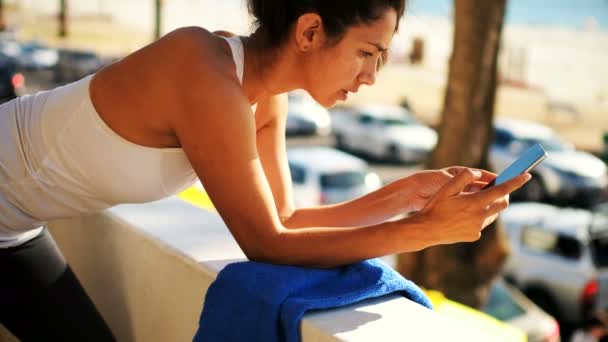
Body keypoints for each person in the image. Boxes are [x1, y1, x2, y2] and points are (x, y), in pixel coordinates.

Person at [0, 0, 531, 340]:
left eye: (382, 58)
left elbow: (286, 219)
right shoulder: (199, 68)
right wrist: (426, 231)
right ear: (310, 30)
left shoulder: (262, 99)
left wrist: (405, 195)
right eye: (366, 52)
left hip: (13, 227)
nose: (370, 76)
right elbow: (266, 244)